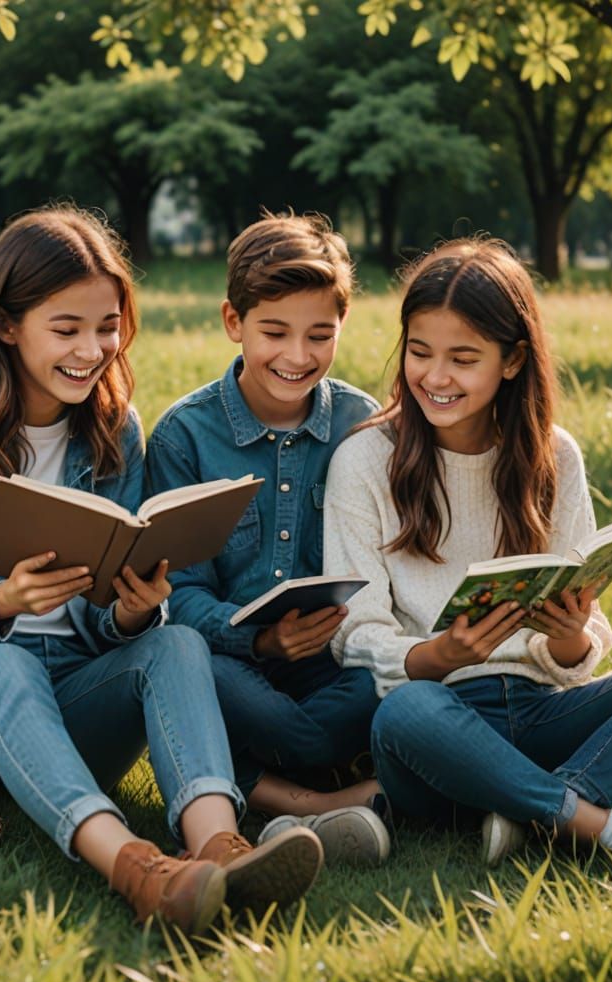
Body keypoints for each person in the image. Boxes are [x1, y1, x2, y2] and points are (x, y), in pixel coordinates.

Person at [0, 205, 324, 935]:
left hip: (66, 700)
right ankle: (138, 870)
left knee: (175, 641)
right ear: (7, 326)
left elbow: (105, 619)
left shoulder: (113, 429)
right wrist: (0, 603)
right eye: (66, 329)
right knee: (5, 664)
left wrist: (130, 611)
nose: (92, 350)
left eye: (107, 327)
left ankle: (220, 849)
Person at [323, 237, 612, 873]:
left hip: (543, 709)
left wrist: (570, 638)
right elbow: (354, 634)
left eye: (463, 359)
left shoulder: (554, 455)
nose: (435, 377)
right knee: (407, 711)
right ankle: (598, 825)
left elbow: (578, 642)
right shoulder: (364, 460)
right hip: (436, 721)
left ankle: (528, 808)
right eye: (420, 352)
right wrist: (438, 656)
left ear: (513, 360)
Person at [145, 212, 390, 866]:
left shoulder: (362, 423)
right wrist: (258, 640)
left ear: (342, 324)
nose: (297, 356)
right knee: (186, 677)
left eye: (320, 335)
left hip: (330, 661)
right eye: (274, 333)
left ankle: (274, 782)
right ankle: (319, 797)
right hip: (231, 663)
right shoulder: (184, 437)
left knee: (384, 689)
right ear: (234, 322)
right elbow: (179, 594)